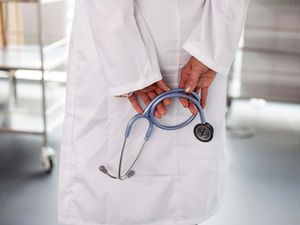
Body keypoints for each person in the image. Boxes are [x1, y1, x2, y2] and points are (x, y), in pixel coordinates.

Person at [57, 0, 250, 225]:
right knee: (108, 202)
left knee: (182, 204)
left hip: (192, 41)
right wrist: (129, 67)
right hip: (114, 43)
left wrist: (211, 48)